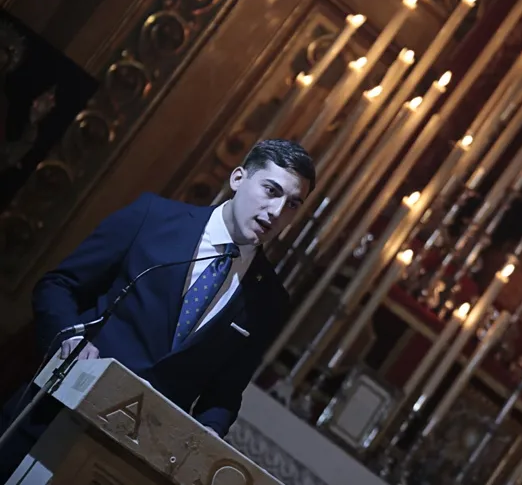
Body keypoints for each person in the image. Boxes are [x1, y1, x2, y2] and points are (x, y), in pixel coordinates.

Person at [0, 138, 314, 480]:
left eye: (292, 204)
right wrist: (70, 337)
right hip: (52, 417)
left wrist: (210, 432)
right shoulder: (152, 217)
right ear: (238, 178)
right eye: (271, 190)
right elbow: (58, 285)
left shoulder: (269, 299)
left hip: (129, 463)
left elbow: (225, 392)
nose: (276, 212)